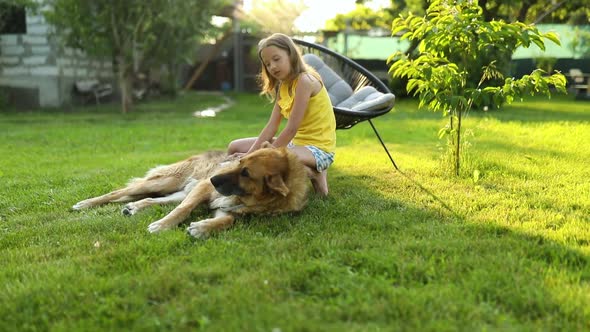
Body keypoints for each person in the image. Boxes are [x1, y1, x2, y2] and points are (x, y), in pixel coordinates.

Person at [227, 33, 336, 196]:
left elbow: (292, 128)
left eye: (277, 59)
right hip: (295, 145)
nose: (272, 66)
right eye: (268, 64)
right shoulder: (283, 86)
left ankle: (316, 173)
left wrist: (263, 154)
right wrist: (248, 155)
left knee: (267, 161)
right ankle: (235, 185)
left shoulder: (305, 81)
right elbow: (272, 126)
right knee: (234, 147)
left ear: (291, 54)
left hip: (318, 149)